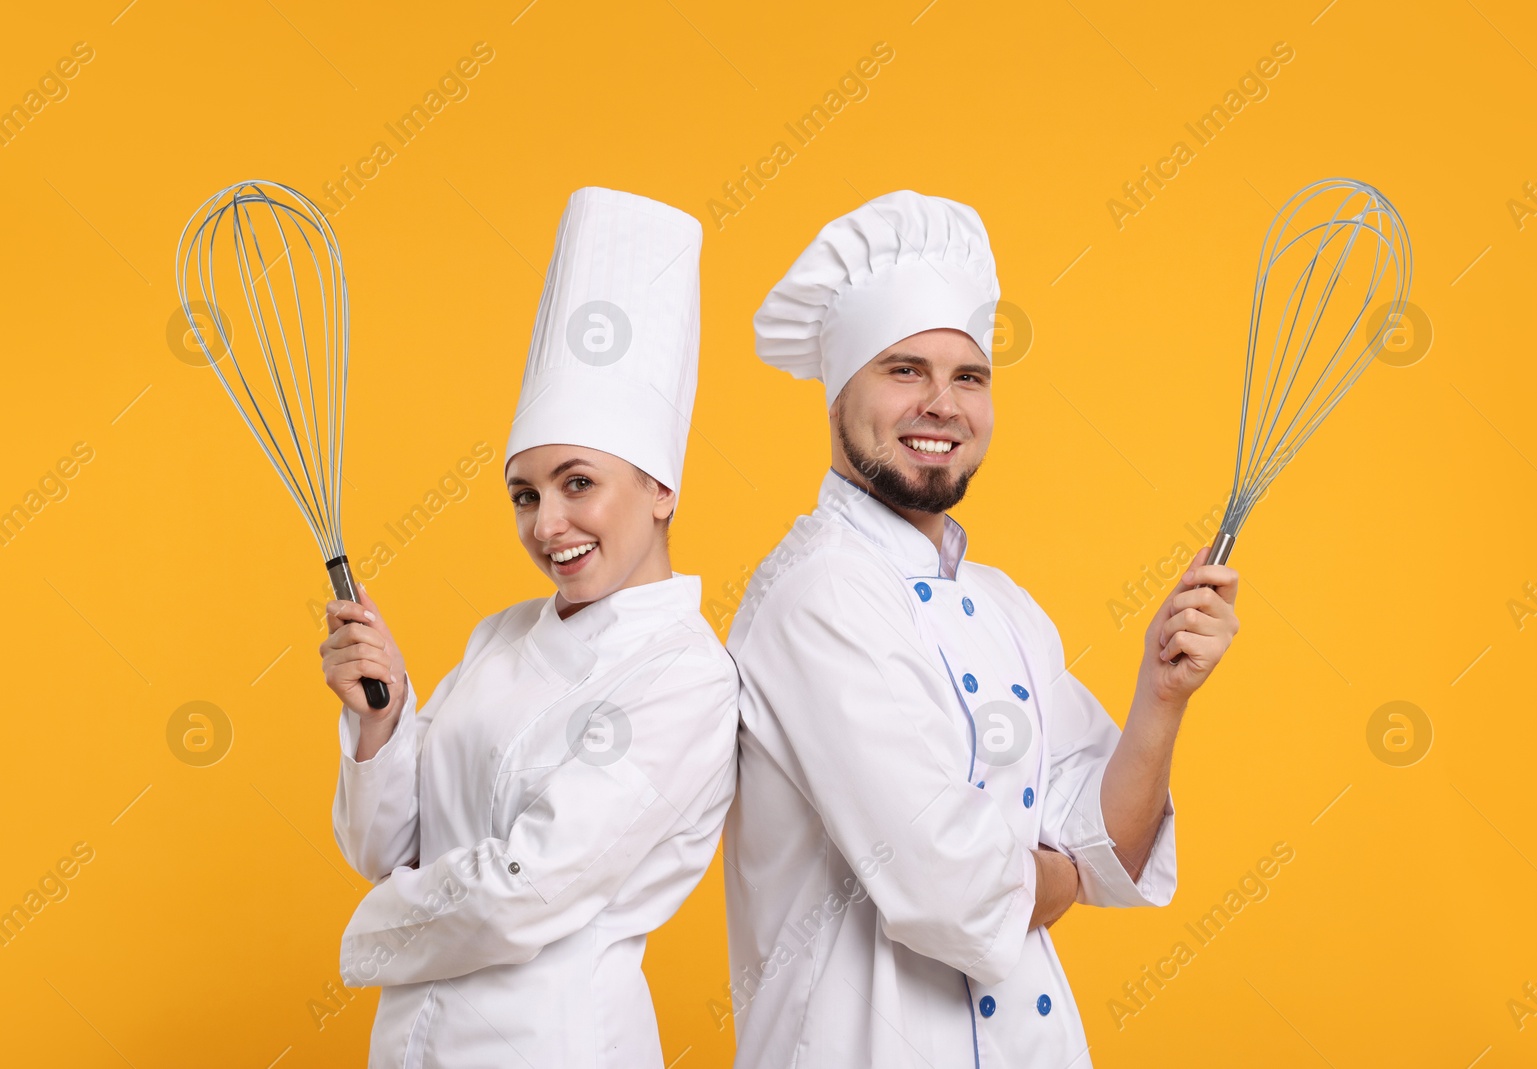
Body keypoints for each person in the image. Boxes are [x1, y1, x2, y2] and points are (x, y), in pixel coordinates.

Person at [722, 190, 1241, 1067]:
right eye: (904, 370)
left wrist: (1162, 696)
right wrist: (1058, 872)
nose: (942, 404)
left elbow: (1107, 836)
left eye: (969, 376)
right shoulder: (815, 596)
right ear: (839, 391)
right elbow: (949, 885)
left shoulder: (1003, 605)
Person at [320, 186, 738, 1068]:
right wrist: (385, 717)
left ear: (661, 488)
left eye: (577, 483)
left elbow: (526, 888)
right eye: (525, 493)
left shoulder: (685, 674)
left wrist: (373, 928)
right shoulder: (500, 637)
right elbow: (382, 845)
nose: (548, 524)